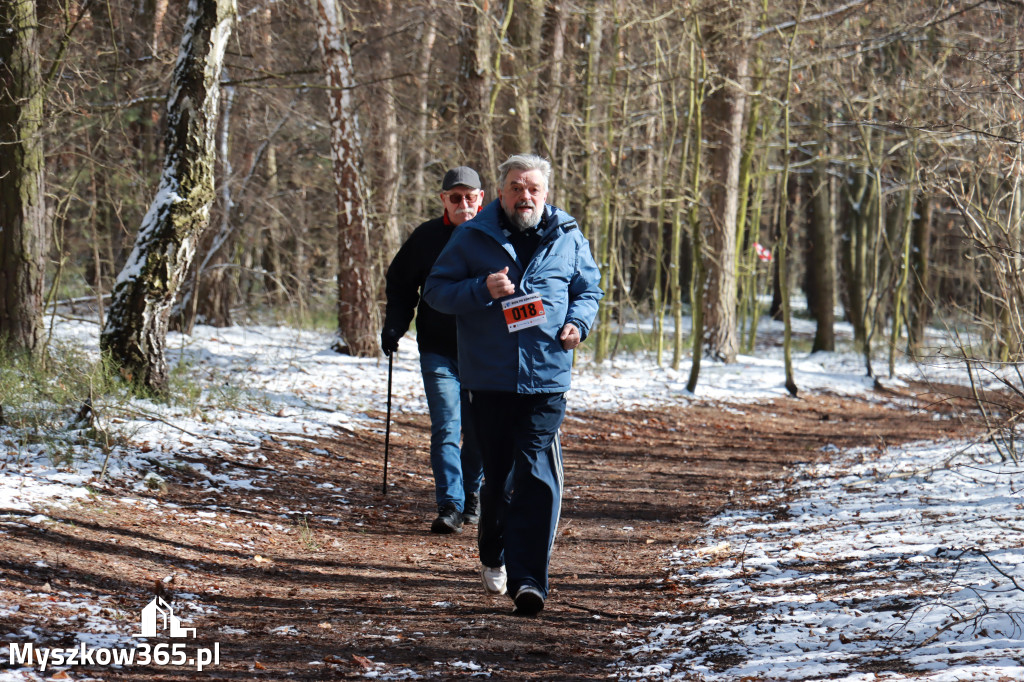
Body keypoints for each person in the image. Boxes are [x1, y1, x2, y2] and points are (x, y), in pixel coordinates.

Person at [422, 154, 603, 615]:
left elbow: (589, 290)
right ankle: (493, 551)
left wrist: (578, 325)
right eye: (516, 188)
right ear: (500, 193)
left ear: (546, 194)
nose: (525, 196)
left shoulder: (567, 236)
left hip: (546, 376)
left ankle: (529, 582)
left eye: (533, 189)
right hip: (490, 380)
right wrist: (483, 289)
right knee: (498, 478)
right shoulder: (471, 236)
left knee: (537, 476)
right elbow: (437, 292)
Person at [381, 166, 486, 535]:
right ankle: (450, 505)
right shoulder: (425, 237)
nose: (463, 204)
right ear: (444, 200)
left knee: (478, 433)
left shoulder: (494, 234)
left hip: (483, 352)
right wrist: (395, 324)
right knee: (445, 427)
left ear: (481, 198)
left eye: (469, 197)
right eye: (455, 197)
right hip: (438, 350)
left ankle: (472, 491)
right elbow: (400, 284)